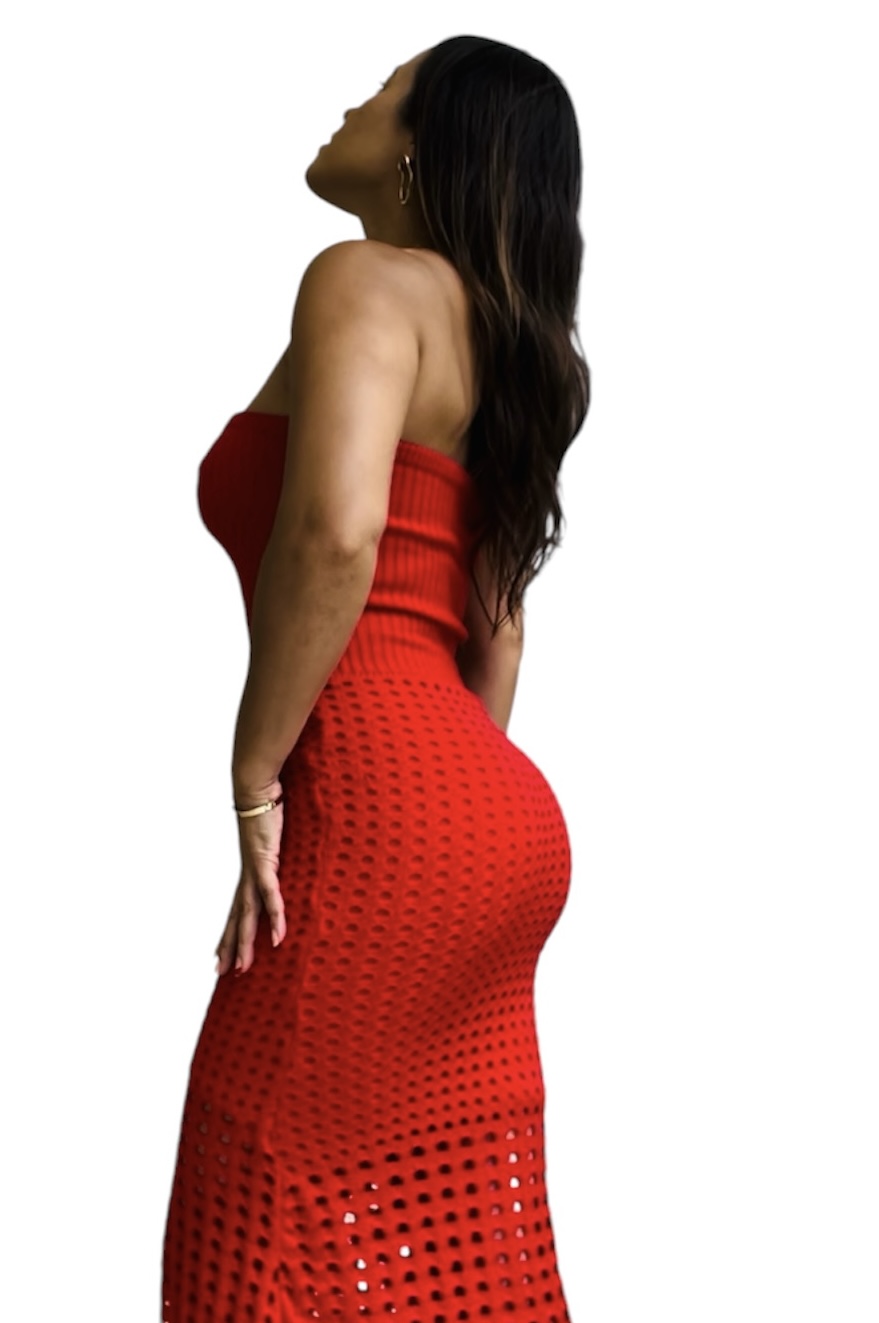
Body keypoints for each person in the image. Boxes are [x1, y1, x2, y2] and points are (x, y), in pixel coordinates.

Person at [162, 34, 590, 1322]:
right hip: (497, 821)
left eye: (387, 89)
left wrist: (258, 773)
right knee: (445, 1238)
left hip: (376, 797)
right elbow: (497, 633)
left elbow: (337, 534)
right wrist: (450, 822)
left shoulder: (358, 280)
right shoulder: (509, 350)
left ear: (422, 147)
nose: (353, 98)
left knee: (251, 1209)